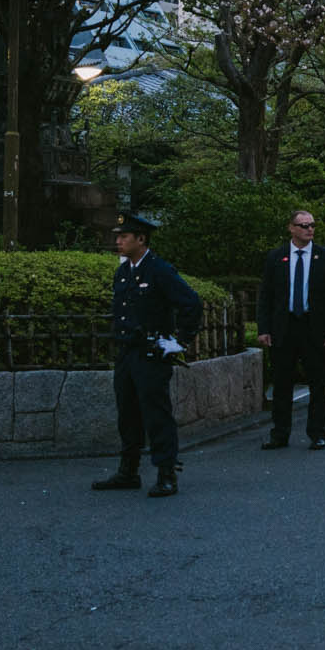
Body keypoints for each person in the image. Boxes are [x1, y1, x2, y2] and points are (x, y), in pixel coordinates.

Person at [92, 213, 203, 499]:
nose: (118, 241)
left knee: (156, 414)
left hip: (151, 353)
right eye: (118, 236)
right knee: (127, 413)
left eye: (124, 236)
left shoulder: (159, 270)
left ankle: (166, 472)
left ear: (141, 239)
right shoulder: (124, 271)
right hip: (127, 351)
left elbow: (191, 302)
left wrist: (180, 341)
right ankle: (128, 471)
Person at [256, 210, 325, 450]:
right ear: (291, 228)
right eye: (303, 225)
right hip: (284, 328)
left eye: (312, 225)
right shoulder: (277, 257)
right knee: (282, 383)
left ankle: (317, 433)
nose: (309, 229)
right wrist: (264, 328)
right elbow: (266, 296)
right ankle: (279, 433)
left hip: (313, 328)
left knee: (318, 382)